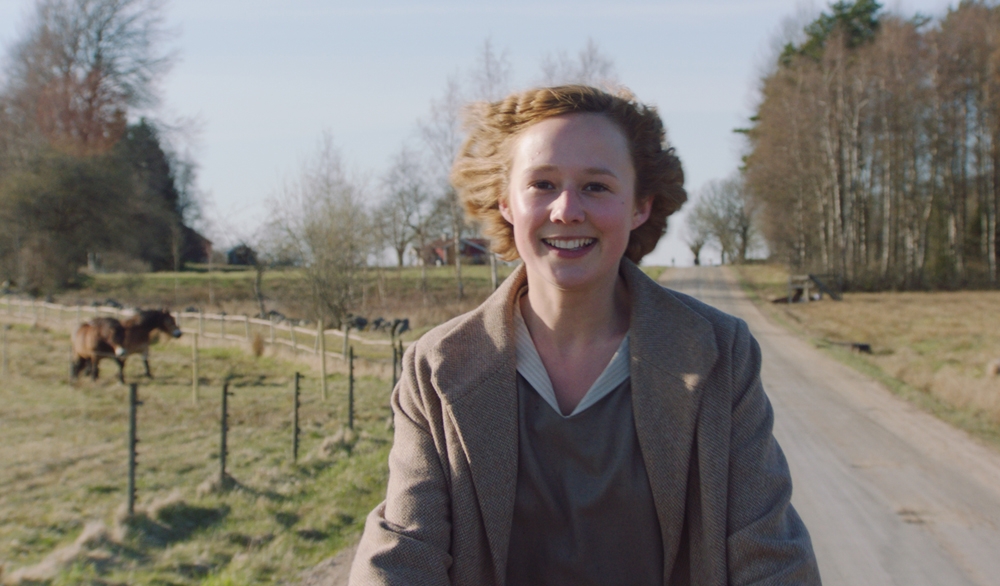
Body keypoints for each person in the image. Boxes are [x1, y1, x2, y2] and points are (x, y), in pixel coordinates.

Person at [349, 85, 820, 585]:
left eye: (596, 186)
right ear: (506, 202)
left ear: (640, 206)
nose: (567, 210)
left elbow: (768, 554)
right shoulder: (437, 368)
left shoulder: (721, 354)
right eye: (542, 184)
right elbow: (403, 555)